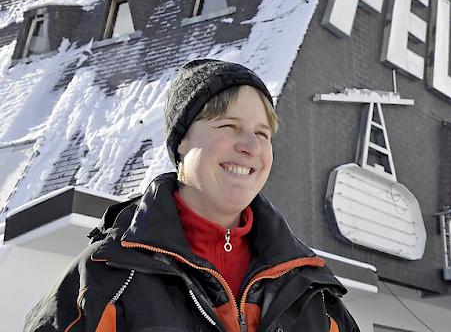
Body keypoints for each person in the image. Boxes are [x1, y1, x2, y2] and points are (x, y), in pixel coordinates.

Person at [25, 59, 359, 331]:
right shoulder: (106, 278)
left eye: (262, 133)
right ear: (181, 141)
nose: (250, 146)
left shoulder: (313, 290)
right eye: (229, 126)